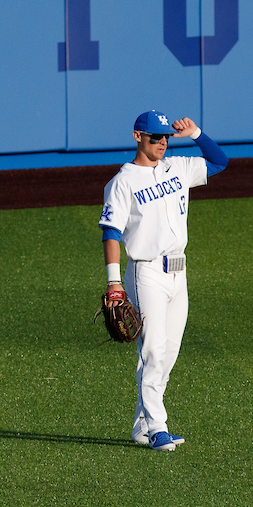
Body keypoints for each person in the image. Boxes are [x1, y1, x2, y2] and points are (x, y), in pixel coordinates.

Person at [98, 110, 228, 451]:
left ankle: (142, 425)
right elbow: (111, 232)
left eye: (166, 137)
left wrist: (197, 133)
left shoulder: (178, 167)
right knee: (153, 351)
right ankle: (158, 428)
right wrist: (114, 283)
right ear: (137, 136)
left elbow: (219, 161)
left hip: (179, 273)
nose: (163, 143)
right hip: (147, 272)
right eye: (156, 137)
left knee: (168, 352)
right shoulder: (123, 182)